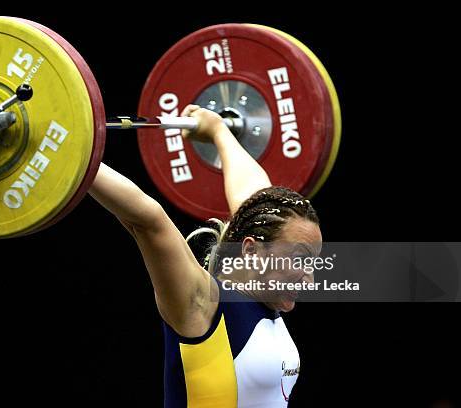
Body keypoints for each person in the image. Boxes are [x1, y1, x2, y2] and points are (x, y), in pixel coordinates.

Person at [88, 105, 322, 407]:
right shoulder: (202, 304)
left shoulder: (267, 300)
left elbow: (257, 200)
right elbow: (148, 221)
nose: (310, 277)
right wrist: (72, 154)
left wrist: (218, 131)